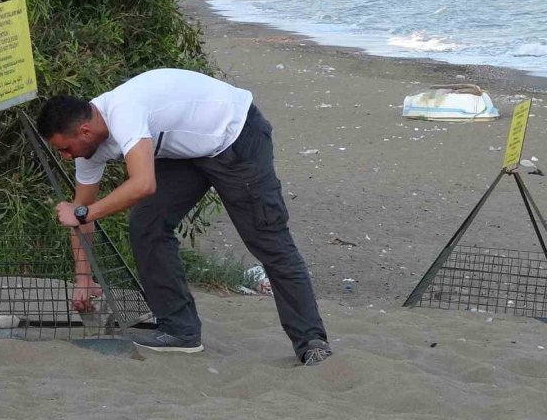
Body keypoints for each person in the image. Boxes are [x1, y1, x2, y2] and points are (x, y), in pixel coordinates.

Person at [36, 69, 332, 366]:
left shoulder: (124, 112)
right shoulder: (86, 151)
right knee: (147, 224)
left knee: (268, 239)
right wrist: (83, 279)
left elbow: (141, 185)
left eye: (65, 149)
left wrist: (86, 212)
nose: (65, 156)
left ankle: (311, 342)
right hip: (186, 155)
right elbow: (80, 217)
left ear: (84, 132)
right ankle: (179, 331)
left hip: (236, 137)